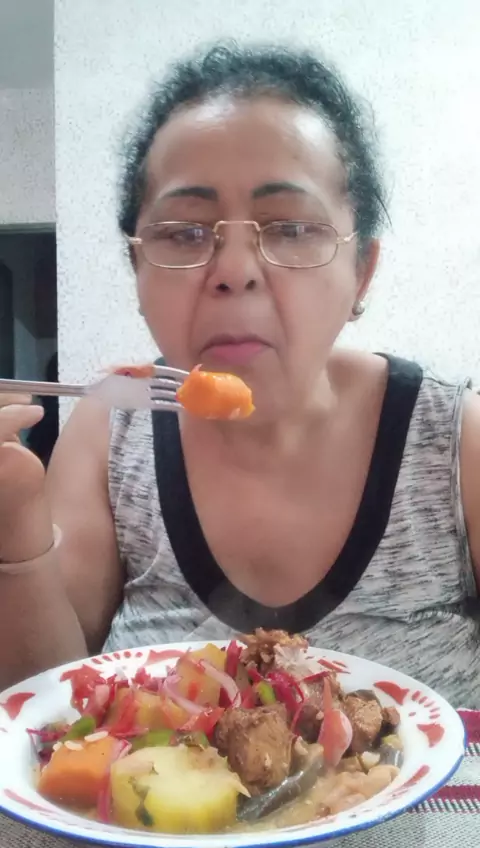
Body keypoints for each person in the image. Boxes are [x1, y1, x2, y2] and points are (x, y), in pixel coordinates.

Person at [0, 43, 478, 708]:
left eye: (291, 228)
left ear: (361, 273)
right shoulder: (109, 428)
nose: (234, 270)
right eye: (184, 233)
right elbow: (43, 710)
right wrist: (13, 521)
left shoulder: (455, 440)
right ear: (138, 271)